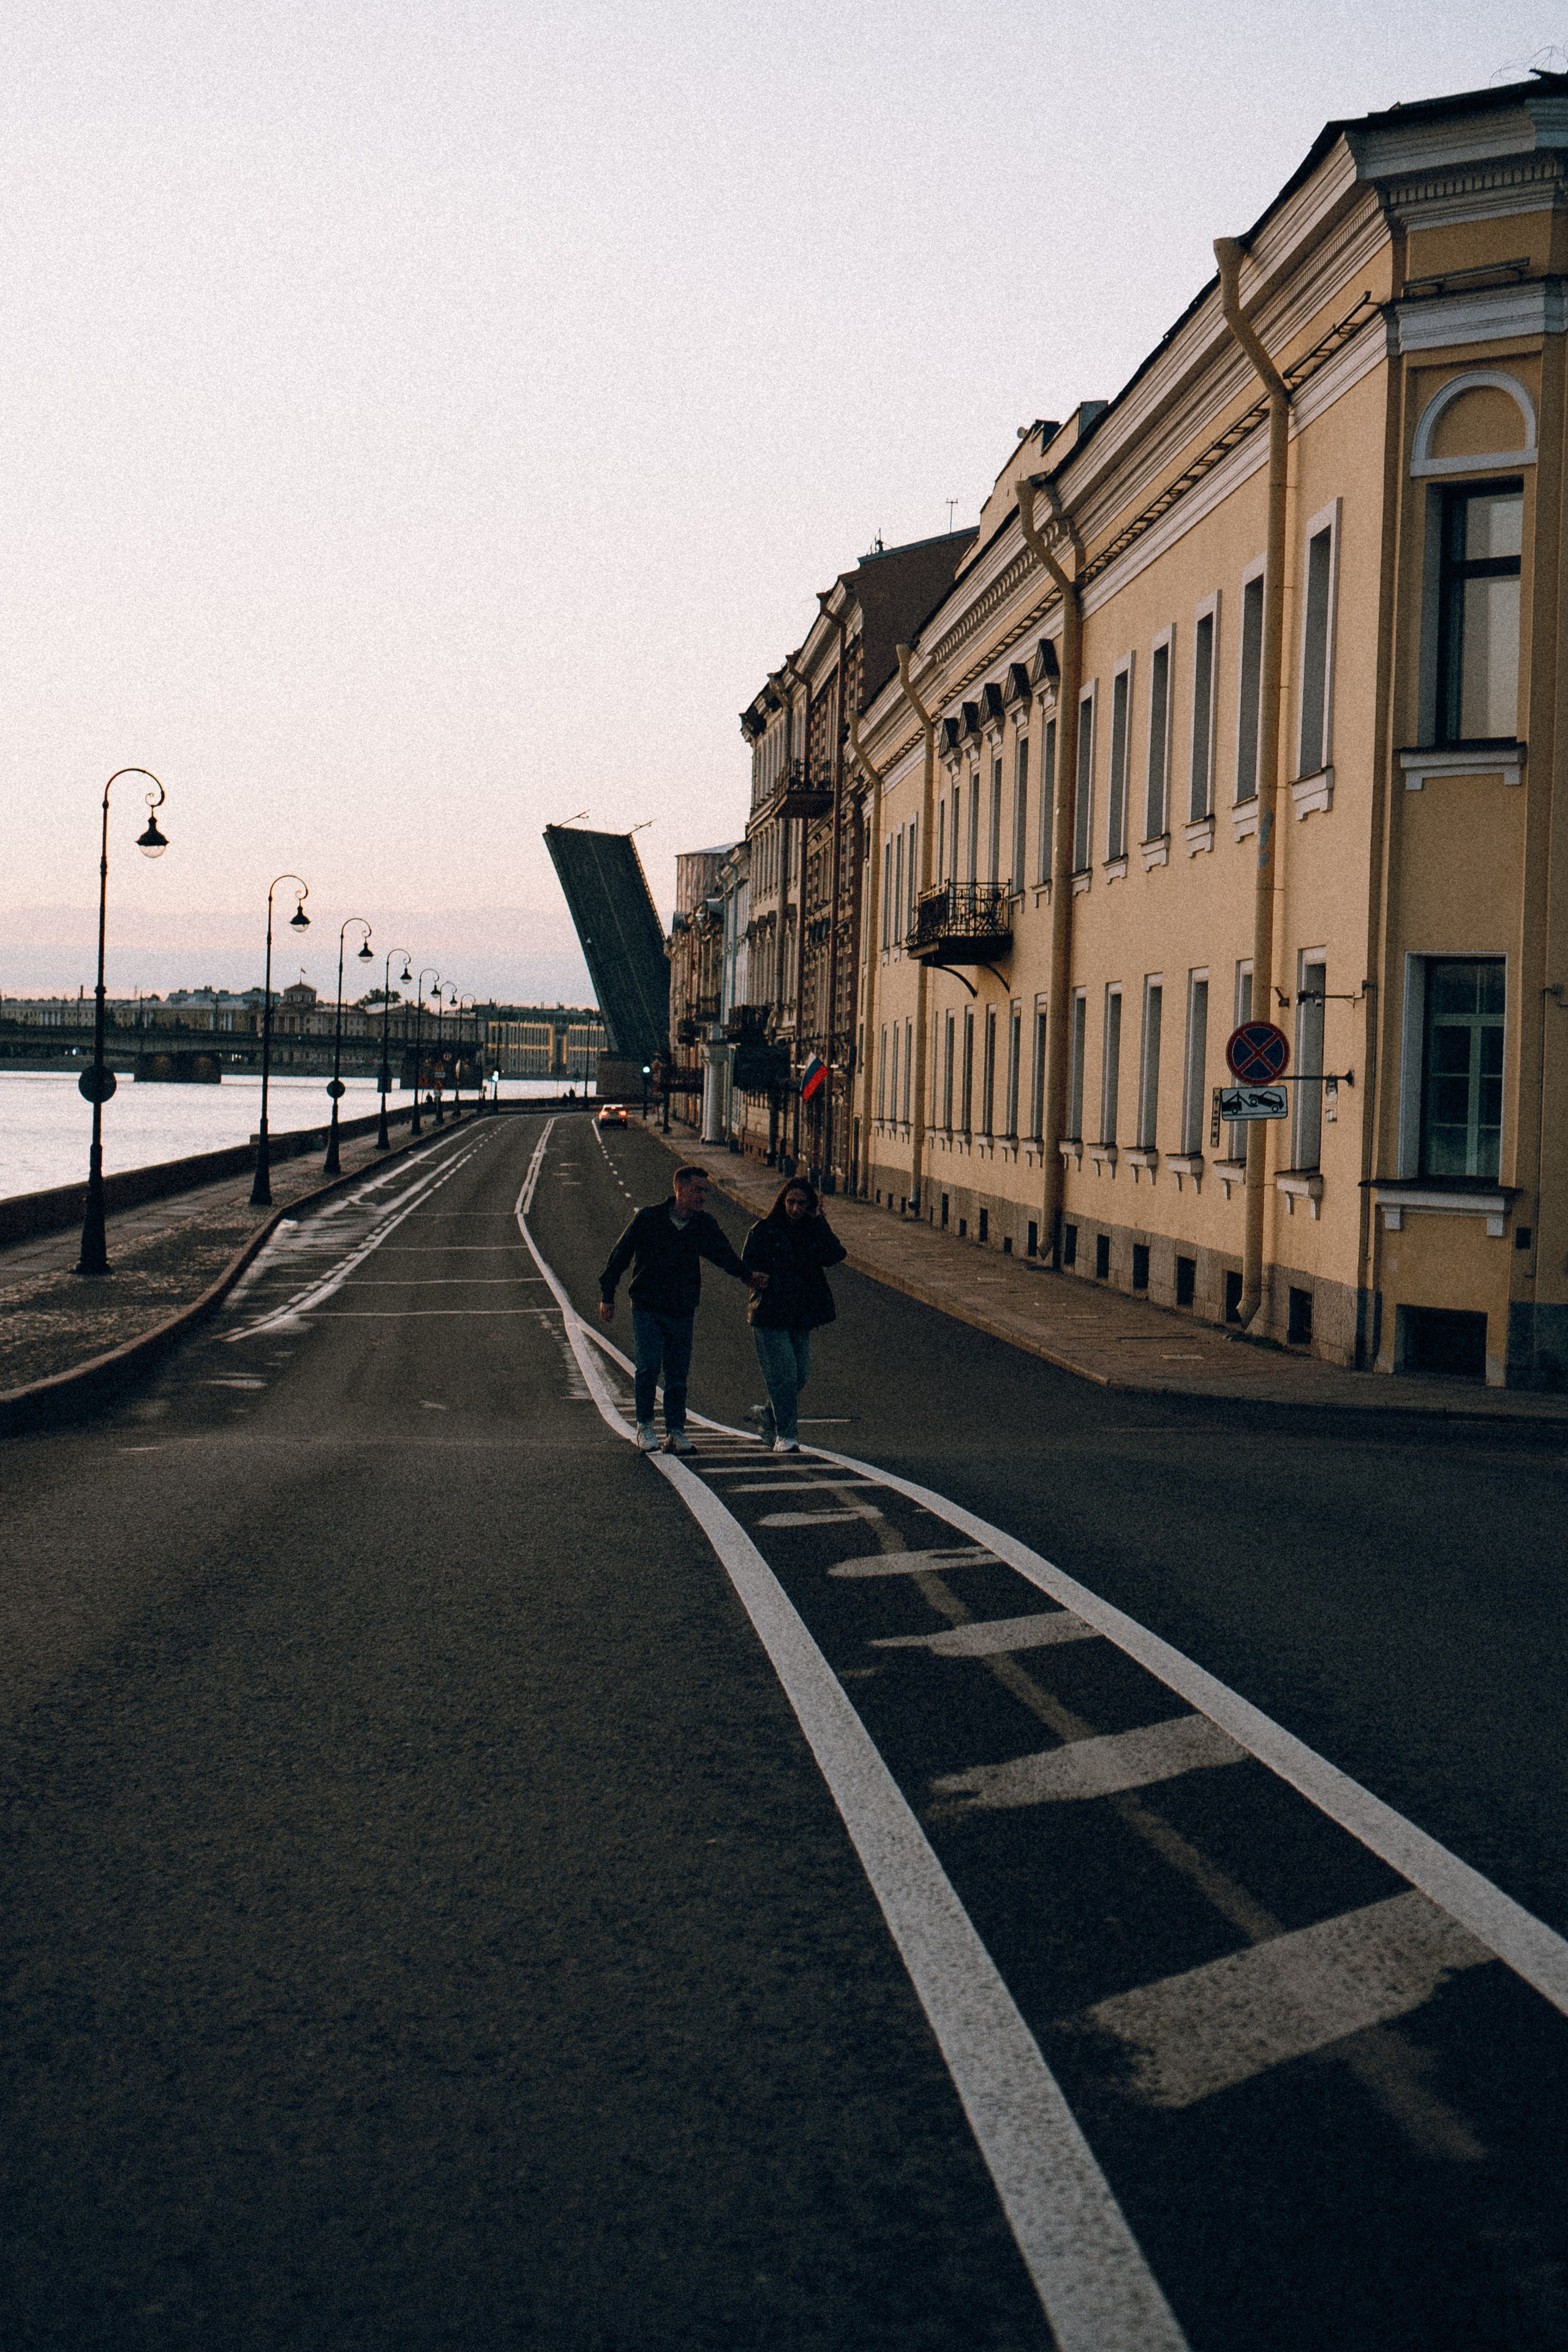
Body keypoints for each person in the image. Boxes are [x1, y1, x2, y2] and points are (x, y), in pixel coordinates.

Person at [598, 1165, 763, 1454]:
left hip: (682, 1309)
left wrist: (747, 1276)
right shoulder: (649, 1219)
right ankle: (645, 1427)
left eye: (705, 1192)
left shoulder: (703, 1225)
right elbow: (621, 1254)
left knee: (677, 1373)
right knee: (649, 1366)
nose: (703, 1197)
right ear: (680, 1189)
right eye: (698, 1190)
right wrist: (607, 1294)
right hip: (648, 1306)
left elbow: (723, 1255)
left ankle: (676, 1432)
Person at [741, 1178, 846, 1453]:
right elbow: (747, 1263)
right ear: (782, 1202)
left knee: (801, 1375)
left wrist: (821, 1221)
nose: (795, 1208)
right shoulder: (765, 1229)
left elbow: (836, 1254)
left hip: (800, 1314)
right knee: (784, 1375)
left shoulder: (813, 1232)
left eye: (802, 1203)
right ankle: (786, 1436)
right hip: (769, 1313)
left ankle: (768, 1414)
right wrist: (753, 1277)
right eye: (791, 1202)